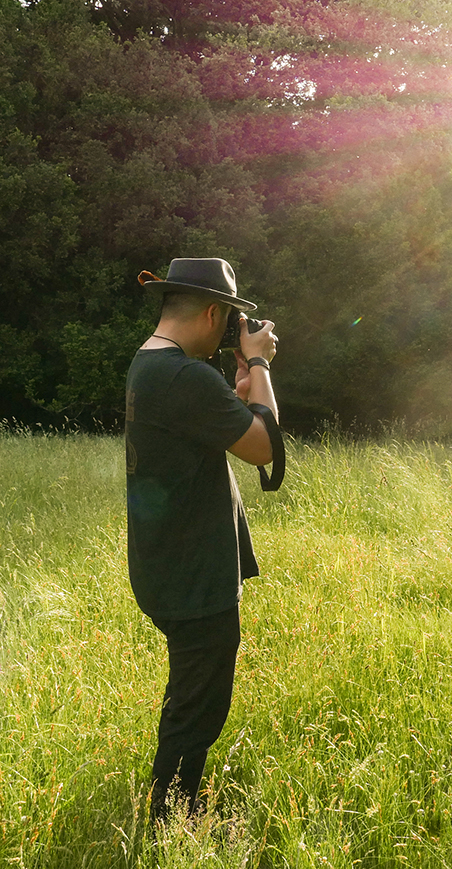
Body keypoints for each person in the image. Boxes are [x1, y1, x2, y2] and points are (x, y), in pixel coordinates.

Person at [125, 257, 278, 822]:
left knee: (191, 691)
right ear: (214, 313)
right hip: (193, 575)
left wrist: (239, 391)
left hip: (167, 562)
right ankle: (172, 818)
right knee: (199, 704)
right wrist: (259, 363)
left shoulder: (151, 364)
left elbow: (209, 435)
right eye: (231, 319)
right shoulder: (185, 377)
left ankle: (175, 803)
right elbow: (264, 447)